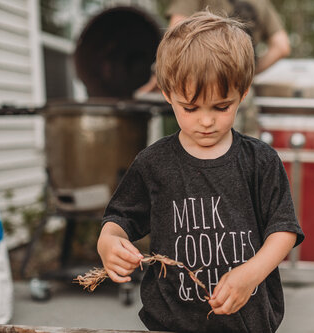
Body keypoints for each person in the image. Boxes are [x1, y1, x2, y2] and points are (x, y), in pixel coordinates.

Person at [97, 12, 303, 332]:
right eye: (190, 108)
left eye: (221, 107)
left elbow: (284, 230)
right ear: (168, 95)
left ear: (242, 93)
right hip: (171, 322)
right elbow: (120, 220)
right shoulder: (153, 164)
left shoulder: (260, 161)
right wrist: (108, 242)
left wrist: (251, 274)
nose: (206, 121)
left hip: (247, 322)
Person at [137, 0, 291, 136]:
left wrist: (159, 75)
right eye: (190, 109)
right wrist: (242, 74)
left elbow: (176, 34)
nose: (206, 121)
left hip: (196, 86)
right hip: (239, 94)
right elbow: (282, 46)